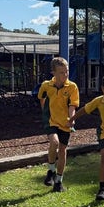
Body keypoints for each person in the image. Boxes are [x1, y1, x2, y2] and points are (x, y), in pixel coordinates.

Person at [37, 56, 79, 192]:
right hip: (51, 121)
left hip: (65, 123)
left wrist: (71, 120)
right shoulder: (46, 85)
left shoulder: (72, 87)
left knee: (62, 150)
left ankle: (58, 182)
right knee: (54, 142)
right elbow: (41, 97)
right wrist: (44, 112)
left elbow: (72, 106)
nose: (65, 74)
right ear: (53, 73)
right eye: (62, 72)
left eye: (66, 71)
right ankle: (50, 170)